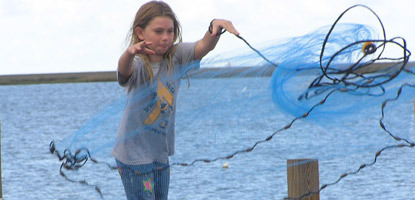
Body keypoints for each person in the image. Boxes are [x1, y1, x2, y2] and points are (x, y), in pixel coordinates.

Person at [112, 1, 239, 199]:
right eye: (159, 31)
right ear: (140, 33)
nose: (165, 37)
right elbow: (123, 70)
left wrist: (215, 26)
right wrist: (129, 54)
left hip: (160, 153)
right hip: (132, 155)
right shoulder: (137, 63)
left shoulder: (177, 57)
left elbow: (204, 46)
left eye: (170, 31)